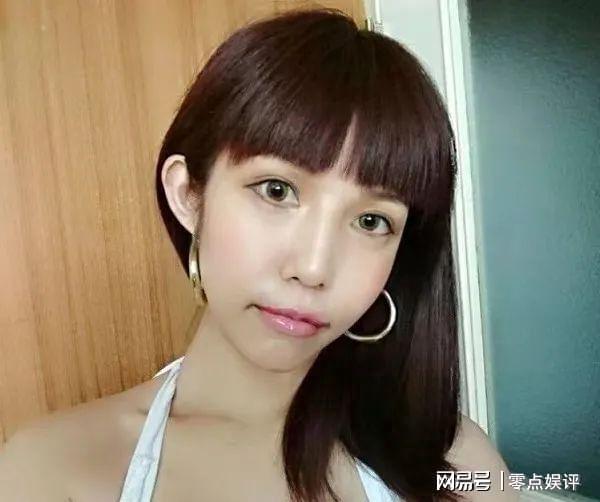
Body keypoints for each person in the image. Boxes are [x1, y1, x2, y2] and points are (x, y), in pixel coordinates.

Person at [0, 8, 517, 502]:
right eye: (276, 190)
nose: (313, 269)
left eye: (370, 221)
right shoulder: (52, 473)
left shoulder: (455, 462)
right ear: (189, 195)